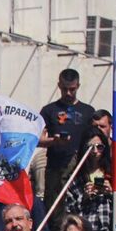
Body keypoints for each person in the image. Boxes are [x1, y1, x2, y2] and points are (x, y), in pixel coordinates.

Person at [39, 68, 98, 205]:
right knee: (55, 206)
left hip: (81, 167)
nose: (68, 93)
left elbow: (95, 138)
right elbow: (38, 140)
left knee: (82, 203)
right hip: (56, 167)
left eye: (72, 89)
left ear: (78, 86)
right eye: (64, 89)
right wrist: (54, 141)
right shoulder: (49, 110)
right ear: (59, 85)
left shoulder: (88, 111)